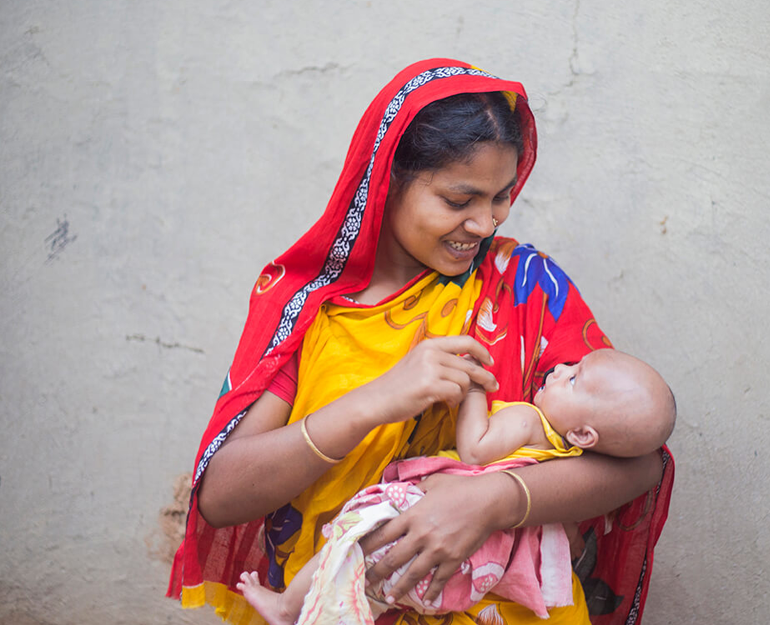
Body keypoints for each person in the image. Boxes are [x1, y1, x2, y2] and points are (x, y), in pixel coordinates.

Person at [168, 58, 675, 625]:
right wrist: (376, 400)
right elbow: (220, 497)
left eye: (502, 197)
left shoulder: (524, 286)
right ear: (387, 179)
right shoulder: (312, 308)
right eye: (459, 201)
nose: (485, 223)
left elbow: (639, 463)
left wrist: (492, 501)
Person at [233, 349, 677, 625]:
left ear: (584, 433)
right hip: (478, 565)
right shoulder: (569, 457)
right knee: (380, 587)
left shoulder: (527, 419)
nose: (559, 367)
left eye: (574, 378)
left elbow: (476, 451)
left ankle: (289, 607)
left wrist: (472, 388)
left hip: (435, 514)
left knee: (351, 540)